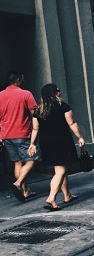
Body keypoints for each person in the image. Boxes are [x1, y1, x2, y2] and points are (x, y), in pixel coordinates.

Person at [27, 84, 85, 211]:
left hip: (46, 143)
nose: (60, 93)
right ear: (54, 93)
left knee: (60, 169)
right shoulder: (62, 106)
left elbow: (35, 129)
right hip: (61, 141)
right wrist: (80, 137)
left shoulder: (38, 110)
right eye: (58, 91)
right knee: (61, 171)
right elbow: (72, 123)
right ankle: (51, 197)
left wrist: (32, 144)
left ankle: (67, 195)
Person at [0, 71, 39, 201]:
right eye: (21, 80)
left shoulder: (0, 95)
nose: (23, 82)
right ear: (17, 80)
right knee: (31, 160)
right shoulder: (25, 94)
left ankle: (25, 191)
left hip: (6, 135)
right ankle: (17, 184)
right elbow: (35, 113)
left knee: (17, 162)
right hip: (22, 133)